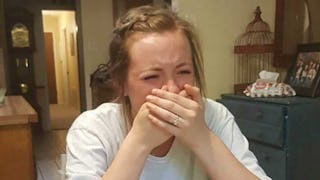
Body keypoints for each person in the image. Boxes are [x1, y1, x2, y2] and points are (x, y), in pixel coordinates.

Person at [66, 5, 270, 180]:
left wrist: (202, 138)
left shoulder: (214, 116)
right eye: (151, 77)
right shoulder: (93, 129)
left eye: (183, 72)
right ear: (122, 84)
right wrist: (139, 142)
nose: (172, 89)